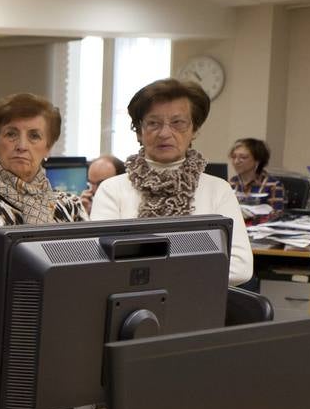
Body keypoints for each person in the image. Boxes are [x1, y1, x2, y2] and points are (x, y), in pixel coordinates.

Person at [90, 78, 252, 286]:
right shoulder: (112, 189)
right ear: (139, 131)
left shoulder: (217, 190)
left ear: (194, 130)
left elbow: (240, 267)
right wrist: (193, 265)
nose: (165, 133)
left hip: (198, 308)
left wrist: (147, 273)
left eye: (178, 123)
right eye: (153, 123)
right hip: (127, 306)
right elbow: (100, 263)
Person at [0, 93, 87, 244]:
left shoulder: (70, 205)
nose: (22, 146)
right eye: (11, 134)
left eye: (34, 136)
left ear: (49, 146)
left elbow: (92, 266)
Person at [229, 137, 287, 225]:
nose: (236, 161)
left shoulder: (273, 185)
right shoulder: (231, 183)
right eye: (233, 157)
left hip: (259, 232)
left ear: (257, 160)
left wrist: (252, 217)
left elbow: (277, 217)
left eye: (243, 157)